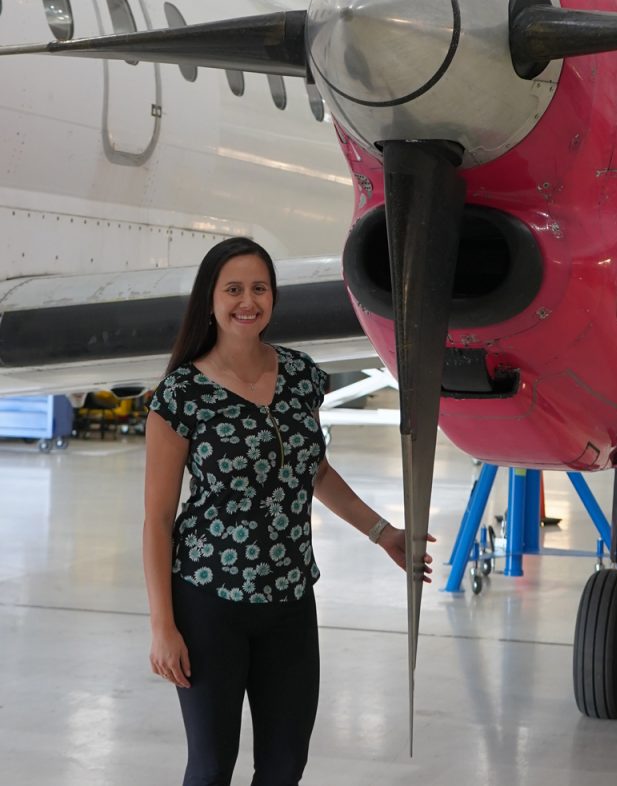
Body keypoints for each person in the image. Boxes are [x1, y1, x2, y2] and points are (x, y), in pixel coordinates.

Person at [143, 237, 433, 786]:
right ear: (210, 298)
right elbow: (158, 519)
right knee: (210, 769)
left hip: (289, 602)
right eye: (233, 289)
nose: (246, 301)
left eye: (259, 288)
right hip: (209, 603)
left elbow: (313, 471)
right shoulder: (180, 395)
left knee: (283, 769)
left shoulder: (301, 376)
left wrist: (382, 532)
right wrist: (163, 626)